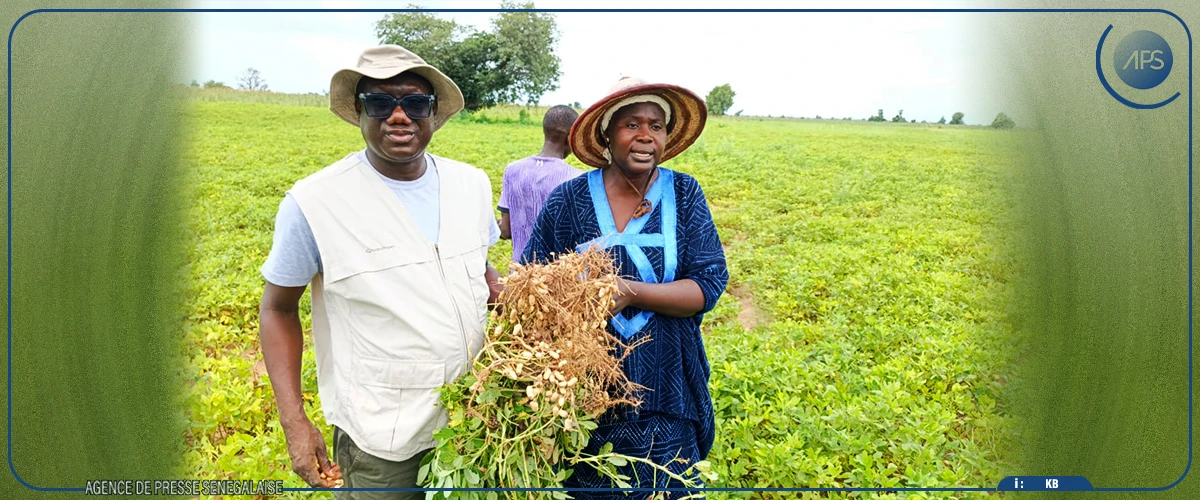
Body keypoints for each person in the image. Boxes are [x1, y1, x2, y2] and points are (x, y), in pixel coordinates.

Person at [257, 45, 503, 498]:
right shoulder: (314, 203)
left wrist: (523, 298)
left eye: (414, 103)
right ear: (358, 111)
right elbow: (276, 309)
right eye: (379, 102)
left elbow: (479, 265)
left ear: (432, 112)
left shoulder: (471, 184)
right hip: (384, 435)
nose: (398, 116)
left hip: (477, 419)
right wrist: (294, 421)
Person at [521, 77, 728, 497]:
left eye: (656, 125)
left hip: (666, 391)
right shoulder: (568, 200)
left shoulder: (684, 193)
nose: (645, 136)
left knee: (666, 487)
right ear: (606, 134)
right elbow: (532, 286)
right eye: (631, 124)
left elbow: (707, 285)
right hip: (583, 398)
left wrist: (630, 292)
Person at [497, 105, 582, 263]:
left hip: (520, 277)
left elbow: (506, 230)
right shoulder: (576, 178)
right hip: (556, 279)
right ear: (570, 137)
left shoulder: (513, 170)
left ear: (545, 131)